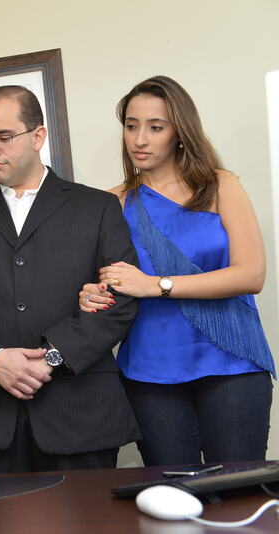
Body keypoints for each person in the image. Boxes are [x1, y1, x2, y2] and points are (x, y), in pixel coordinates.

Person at [0, 85, 141, 475]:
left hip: (80, 412)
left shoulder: (97, 207)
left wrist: (52, 357)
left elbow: (120, 297)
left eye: (4, 137)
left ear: (38, 136)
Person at [79, 76, 275, 466]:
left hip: (232, 364)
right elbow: (105, 281)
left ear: (180, 133)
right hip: (149, 374)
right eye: (131, 126)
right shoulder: (110, 202)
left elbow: (251, 274)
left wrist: (157, 285)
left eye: (156, 127)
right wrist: (89, 294)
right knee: (173, 495)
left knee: (238, 492)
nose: (139, 139)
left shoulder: (220, 185)